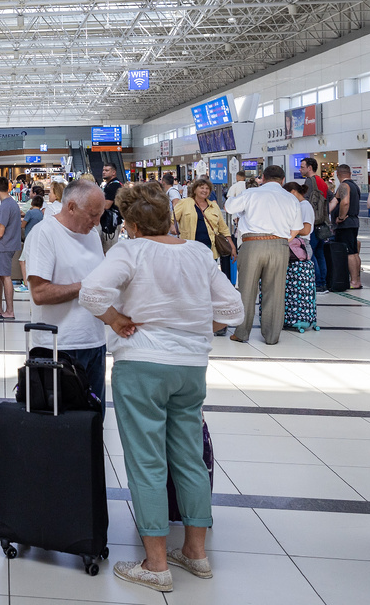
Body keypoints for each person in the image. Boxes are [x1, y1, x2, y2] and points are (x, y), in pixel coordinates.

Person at [79, 182, 243, 593]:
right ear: (168, 217)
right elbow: (233, 310)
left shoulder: (129, 250)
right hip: (191, 368)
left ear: (132, 224)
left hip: (142, 367)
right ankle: (196, 553)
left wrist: (116, 320)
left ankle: (155, 565)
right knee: (189, 458)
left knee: (147, 462)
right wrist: (193, 329)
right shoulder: (196, 252)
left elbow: (91, 292)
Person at [23, 180, 109, 406]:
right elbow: (39, 294)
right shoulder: (44, 233)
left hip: (95, 342)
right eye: (92, 214)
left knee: (93, 421)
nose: (97, 221)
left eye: (100, 214)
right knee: (65, 428)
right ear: (71, 207)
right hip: (59, 346)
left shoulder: (91, 234)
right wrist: (85, 286)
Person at [222, 165, 303, 345]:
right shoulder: (291, 199)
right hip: (280, 245)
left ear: (263, 178)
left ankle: (242, 333)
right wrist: (282, 241)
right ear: (282, 181)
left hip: (252, 244)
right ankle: (272, 336)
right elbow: (297, 228)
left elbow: (228, 207)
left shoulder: (252, 193)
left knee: (247, 291)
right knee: (275, 291)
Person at [172, 179, 236, 280]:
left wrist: (232, 245)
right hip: (189, 249)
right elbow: (172, 219)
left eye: (207, 188)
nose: (204, 190)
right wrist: (172, 228)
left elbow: (223, 228)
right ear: (194, 190)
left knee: (208, 278)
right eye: (201, 188)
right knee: (192, 277)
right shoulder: (184, 203)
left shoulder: (214, 206)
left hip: (210, 249)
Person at [0, 178, 23, 320]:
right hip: (10, 244)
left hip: (4, 245)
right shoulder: (12, 203)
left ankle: (9, 311)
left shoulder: (5, 206)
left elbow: (0, 232)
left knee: (5, 277)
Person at [330, 164, 363, 289]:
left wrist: (341, 217)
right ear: (349, 173)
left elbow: (345, 202)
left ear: (338, 174)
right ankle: (357, 279)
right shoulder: (355, 186)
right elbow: (334, 203)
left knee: (349, 253)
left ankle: (354, 281)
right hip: (354, 222)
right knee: (354, 252)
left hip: (346, 224)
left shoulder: (344, 186)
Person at [299, 160, 329, 291]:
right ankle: (323, 282)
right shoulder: (322, 181)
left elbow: (306, 202)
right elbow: (332, 200)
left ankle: (317, 282)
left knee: (311, 253)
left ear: (309, 168)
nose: (300, 170)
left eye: (302, 167)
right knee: (320, 253)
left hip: (312, 223)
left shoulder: (310, 182)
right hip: (322, 223)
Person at [100, 164, 123, 253]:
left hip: (110, 224)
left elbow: (106, 205)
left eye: (107, 170)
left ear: (113, 172)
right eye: (103, 170)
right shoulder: (112, 184)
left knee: (108, 250)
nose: (103, 172)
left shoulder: (113, 186)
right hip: (112, 222)